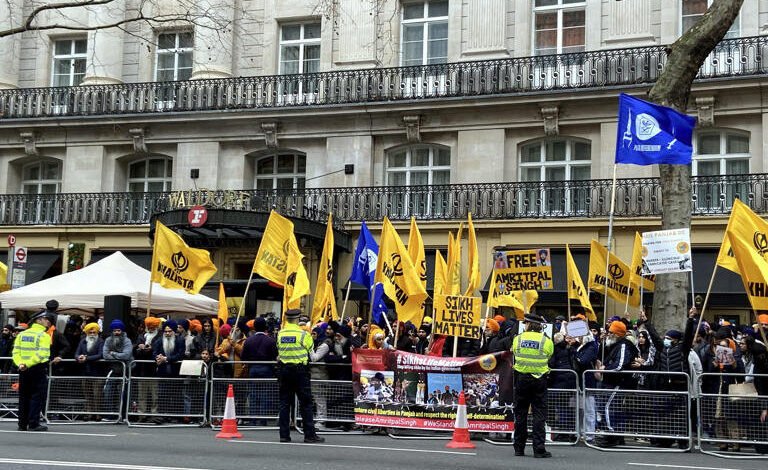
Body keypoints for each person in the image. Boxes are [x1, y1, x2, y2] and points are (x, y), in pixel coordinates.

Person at [276, 308, 324, 443]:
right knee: (306, 404)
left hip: (284, 371)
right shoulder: (304, 335)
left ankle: (284, 435)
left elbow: (279, 352)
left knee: (285, 403)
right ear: (297, 320)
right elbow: (313, 357)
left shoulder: (280, 334)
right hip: (300, 372)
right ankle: (309, 435)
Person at [511, 313, 554, 458]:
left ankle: (519, 448)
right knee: (539, 415)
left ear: (528, 324)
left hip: (521, 379)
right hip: (539, 380)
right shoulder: (545, 340)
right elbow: (549, 355)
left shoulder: (518, 339)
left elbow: (515, 354)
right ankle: (539, 449)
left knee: (521, 414)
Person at [12, 310, 53, 431]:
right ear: (38, 320)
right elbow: (42, 354)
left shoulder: (22, 334)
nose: (48, 321)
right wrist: (27, 364)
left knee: (24, 396)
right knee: (37, 396)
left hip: (23, 368)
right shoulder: (44, 335)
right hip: (37, 368)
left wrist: (21, 364)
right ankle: (33, 423)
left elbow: (15, 352)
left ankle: (22, 424)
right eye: (46, 319)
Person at [240, 317, 277, 425]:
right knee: (265, 394)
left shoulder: (249, 341)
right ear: (265, 327)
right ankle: (263, 419)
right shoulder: (270, 340)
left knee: (253, 394)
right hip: (266, 368)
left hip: (253, 368)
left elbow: (243, 356)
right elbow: (275, 355)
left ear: (254, 327)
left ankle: (253, 419)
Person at [102, 319, 133, 421]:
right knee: (108, 392)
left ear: (122, 331)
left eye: (118, 330)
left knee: (124, 393)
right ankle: (111, 414)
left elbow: (127, 355)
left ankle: (124, 415)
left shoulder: (127, 340)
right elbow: (105, 355)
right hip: (114, 370)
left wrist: (113, 354)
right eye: (115, 330)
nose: (116, 333)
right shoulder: (108, 340)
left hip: (127, 369)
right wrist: (119, 356)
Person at [75, 322, 104, 420]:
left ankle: (97, 414)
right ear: (87, 332)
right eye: (90, 332)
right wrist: (79, 357)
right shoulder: (83, 341)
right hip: (85, 372)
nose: (92, 334)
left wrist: (87, 358)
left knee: (97, 395)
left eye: (94, 332)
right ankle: (89, 413)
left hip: (97, 372)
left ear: (97, 332)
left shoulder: (100, 341)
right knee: (88, 394)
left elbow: (100, 355)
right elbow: (76, 353)